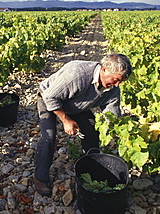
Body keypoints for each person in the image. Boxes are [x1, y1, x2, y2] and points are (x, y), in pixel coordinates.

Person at [34, 53, 133, 196]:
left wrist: (119, 133)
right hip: (49, 98)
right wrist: (66, 120)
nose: (117, 84)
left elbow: (111, 113)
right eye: (116, 79)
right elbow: (50, 96)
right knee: (49, 136)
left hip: (77, 104)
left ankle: (90, 167)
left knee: (92, 131)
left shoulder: (113, 88)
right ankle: (40, 178)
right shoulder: (77, 74)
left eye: (120, 81)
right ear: (104, 70)